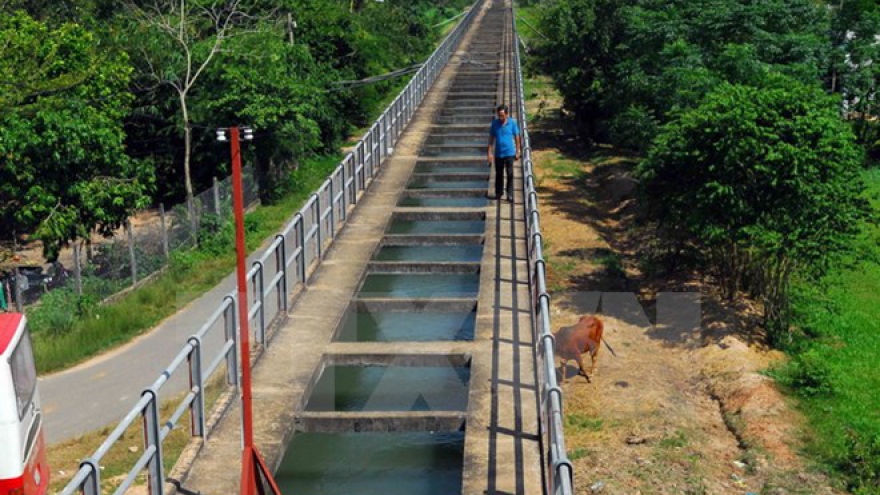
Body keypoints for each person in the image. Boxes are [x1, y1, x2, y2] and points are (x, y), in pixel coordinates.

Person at [487, 104, 521, 203]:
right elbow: (491, 139)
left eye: (502, 115)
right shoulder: (495, 124)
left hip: (509, 153)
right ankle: (499, 193)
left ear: (507, 114)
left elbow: (517, 137)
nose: (500, 117)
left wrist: (518, 150)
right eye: (499, 115)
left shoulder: (512, 123)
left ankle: (509, 194)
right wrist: (489, 153)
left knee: (510, 174)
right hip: (498, 153)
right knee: (499, 174)